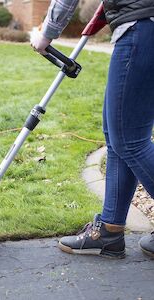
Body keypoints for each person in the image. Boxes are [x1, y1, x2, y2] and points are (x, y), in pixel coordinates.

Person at [31, 0, 154, 258]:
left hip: (140, 29)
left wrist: (46, 34)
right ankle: (109, 231)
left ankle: (108, 231)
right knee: (117, 135)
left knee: (130, 141)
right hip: (142, 28)